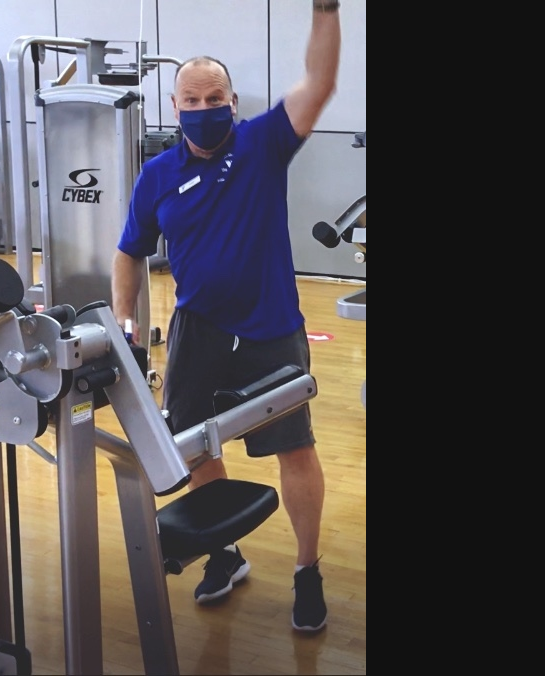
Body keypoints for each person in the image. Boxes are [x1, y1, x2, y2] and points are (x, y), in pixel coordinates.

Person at [111, 1, 341, 632]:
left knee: (294, 449)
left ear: (232, 103)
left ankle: (307, 569)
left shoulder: (263, 144)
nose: (204, 107)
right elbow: (129, 253)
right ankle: (224, 552)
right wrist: (125, 324)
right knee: (193, 448)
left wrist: (325, 8)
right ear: (175, 107)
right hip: (199, 330)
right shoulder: (157, 174)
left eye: (215, 96)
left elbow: (319, 84)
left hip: (271, 328)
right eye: (192, 98)